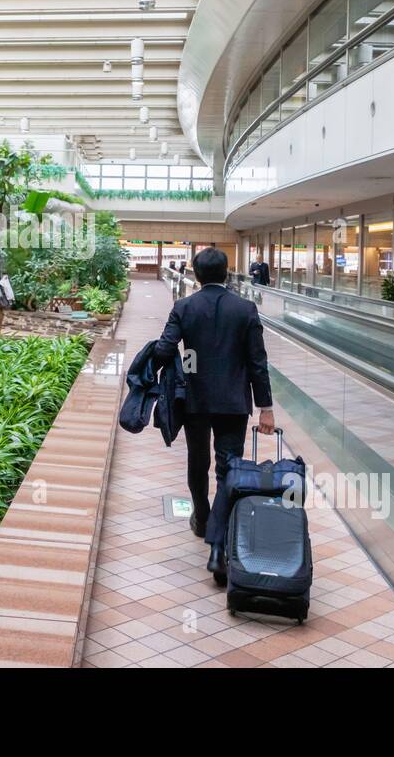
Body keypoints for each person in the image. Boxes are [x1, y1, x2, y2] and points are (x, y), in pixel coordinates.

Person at [154, 247, 275, 580]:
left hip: (195, 400)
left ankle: (203, 518)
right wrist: (266, 408)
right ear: (226, 274)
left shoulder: (184, 307)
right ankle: (219, 547)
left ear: (195, 274)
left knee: (198, 462)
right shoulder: (245, 309)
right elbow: (257, 362)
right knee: (228, 470)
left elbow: (165, 349)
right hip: (234, 402)